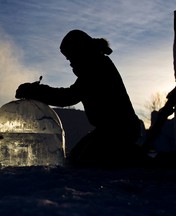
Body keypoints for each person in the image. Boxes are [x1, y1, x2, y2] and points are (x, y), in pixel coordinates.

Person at [15, 29, 147, 167]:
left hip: (118, 130)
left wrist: (36, 91)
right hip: (111, 129)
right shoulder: (96, 63)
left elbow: (68, 97)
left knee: (82, 163)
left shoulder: (96, 67)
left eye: (70, 56)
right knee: (75, 158)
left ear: (80, 51)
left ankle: (135, 159)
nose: (70, 62)